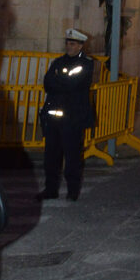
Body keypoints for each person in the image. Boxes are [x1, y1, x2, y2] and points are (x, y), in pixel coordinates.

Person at [38, 28, 96, 201]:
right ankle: (51, 189)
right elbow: (48, 83)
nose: (68, 47)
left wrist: (59, 81)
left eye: (72, 44)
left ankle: (72, 191)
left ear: (80, 46)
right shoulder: (57, 62)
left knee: (72, 157)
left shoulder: (86, 63)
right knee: (51, 156)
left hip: (73, 118)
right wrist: (61, 82)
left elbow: (73, 84)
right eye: (67, 43)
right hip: (54, 117)